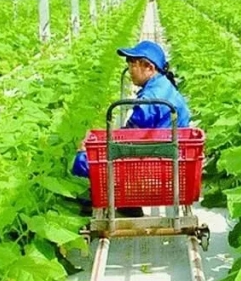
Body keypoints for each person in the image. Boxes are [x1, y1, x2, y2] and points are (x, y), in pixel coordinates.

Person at [70, 41, 192, 214]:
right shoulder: (165, 87)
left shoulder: (150, 100)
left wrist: (91, 147)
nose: (129, 69)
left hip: (152, 166)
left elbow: (127, 141)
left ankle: (100, 203)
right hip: (170, 160)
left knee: (82, 161)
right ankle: (127, 205)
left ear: (149, 67)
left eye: (133, 64)